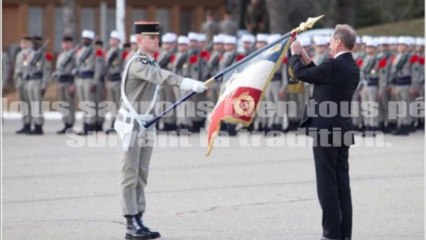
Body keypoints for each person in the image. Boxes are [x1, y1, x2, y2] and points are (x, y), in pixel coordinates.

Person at [114, 21, 206, 239]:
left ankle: (139, 217)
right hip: (132, 125)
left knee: (141, 175)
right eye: (151, 38)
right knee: (129, 175)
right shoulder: (138, 63)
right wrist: (188, 83)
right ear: (139, 40)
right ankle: (130, 222)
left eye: (157, 38)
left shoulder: (150, 61)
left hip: (146, 124)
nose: (156, 41)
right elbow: (161, 77)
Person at [288, 24, 359, 240]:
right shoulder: (350, 65)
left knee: (326, 185)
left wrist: (293, 55)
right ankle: (344, 234)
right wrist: (305, 56)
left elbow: (301, 74)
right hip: (341, 129)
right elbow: (319, 74)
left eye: (330, 40)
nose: (329, 43)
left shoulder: (333, 65)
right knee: (342, 185)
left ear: (338, 42)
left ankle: (331, 234)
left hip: (326, 131)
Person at [53, 36, 77, 134]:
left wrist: (74, 85)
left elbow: (76, 70)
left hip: (69, 81)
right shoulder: (61, 56)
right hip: (61, 82)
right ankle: (65, 123)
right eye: (64, 43)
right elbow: (58, 69)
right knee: (63, 104)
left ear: (71, 44)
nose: (66, 45)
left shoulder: (74, 55)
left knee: (70, 104)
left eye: (68, 43)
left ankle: (70, 124)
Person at [14, 35, 33, 134]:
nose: (23, 44)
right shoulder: (19, 54)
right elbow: (16, 68)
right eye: (22, 43)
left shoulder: (32, 54)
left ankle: (29, 123)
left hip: (28, 81)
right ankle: (25, 124)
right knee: (23, 104)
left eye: (25, 42)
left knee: (28, 103)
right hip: (20, 81)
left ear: (29, 43)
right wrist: (16, 81)